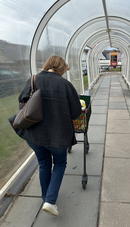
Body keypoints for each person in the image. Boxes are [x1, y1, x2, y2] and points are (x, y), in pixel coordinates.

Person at [12, 55, 81, 216]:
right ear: (62, 68)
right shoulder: (65, 84)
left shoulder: (33, 80)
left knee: (44, 164)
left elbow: (22, 101)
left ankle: (46, 198)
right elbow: (76, 112)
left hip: (34, 135)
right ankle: (50, 201)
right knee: (59, 163)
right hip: (57, 136)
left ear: (47, 65)